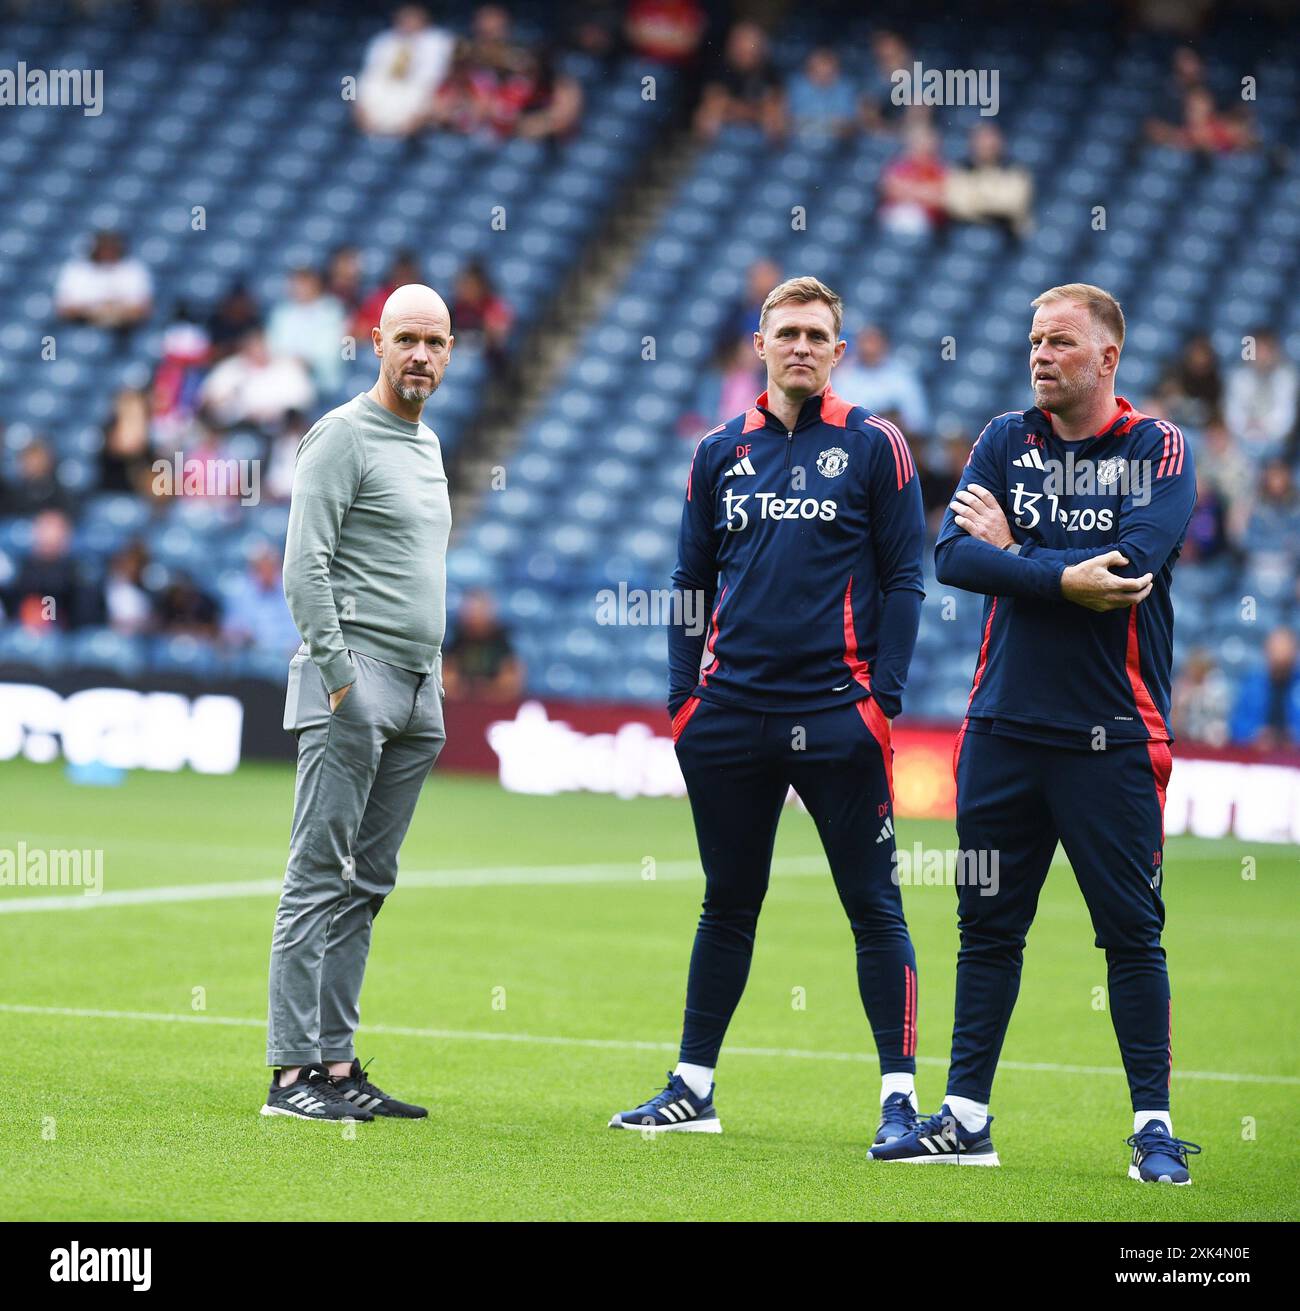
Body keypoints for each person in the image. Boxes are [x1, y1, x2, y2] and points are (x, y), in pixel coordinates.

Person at [872, 284, 1202, 1185]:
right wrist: (1055, 573)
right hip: (1001, 730)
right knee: (986, 928)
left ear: (1107, 358)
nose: (1039, 356)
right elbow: (951, 556)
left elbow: (1129, 570)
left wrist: (1018, 554)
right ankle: (966, 1116)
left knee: (1132, 934)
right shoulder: (1002, 438)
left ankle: (1154, 1128)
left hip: (1113, 737)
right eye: (1033, 340)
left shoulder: (1157, 449)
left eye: (1060, 342)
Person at [610, 277, 927, 1148]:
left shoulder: (876, 446)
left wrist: (884, 699)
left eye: (816, 334)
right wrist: (683, 701)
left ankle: (898, 1099)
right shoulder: (719, 451)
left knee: (875, 907)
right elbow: (689, 582)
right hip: (729, 718)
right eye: (786, 331)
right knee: (728, 901)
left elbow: (906, 579)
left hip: (837, 716)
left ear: (838, 348)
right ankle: (692, 1085)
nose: (800, 345)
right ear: (760, 345)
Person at [264, 284, 454, 1122]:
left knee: (368, 881)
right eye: (407, 338)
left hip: (417, 686)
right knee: (316, 875)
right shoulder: (341, 434)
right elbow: (303, 565)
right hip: (355, 680)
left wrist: (429, 674)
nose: (421, 354)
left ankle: (337, 1067)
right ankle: (288, 1075)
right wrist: (340, 676)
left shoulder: (429, 443)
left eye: (436, 342)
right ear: (376, 342)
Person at [353, 3, 455, 137]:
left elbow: (441, 79)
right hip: (381, 101)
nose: (408, 22)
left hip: (420, 100)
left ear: (424, 19)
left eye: (412, 18)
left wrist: (421, 117)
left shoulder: (441, 42)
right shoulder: (383, 41)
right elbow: (368, 75)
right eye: (404, 18)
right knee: (353, 84)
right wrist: (359, 111)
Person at [832, 325, 931, 436]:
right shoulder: (843, 375)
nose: (867, 347)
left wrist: (893, 421)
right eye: (864, 341)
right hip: (853, 440)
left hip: (894, 441)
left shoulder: (902, 377)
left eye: (873, 342)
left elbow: (918, 422)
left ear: (885, 344)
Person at [944, 123, 1034, 242]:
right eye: (981, 141)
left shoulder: (1016, 170)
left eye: (990, 141)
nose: (986, 145)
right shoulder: (960, 170)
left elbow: (1012, 204)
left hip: (1007, 236)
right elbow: (955, 204)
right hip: (966, 232)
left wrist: (975, 201)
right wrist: (993, 202)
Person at [54, 229, 152, 329]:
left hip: (126, 329)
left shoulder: (133, 268)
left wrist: (112, 314)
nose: (107, 252)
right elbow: (64, 309)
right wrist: (97, 312)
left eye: (112, 247)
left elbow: (143, 309)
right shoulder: (76, 269)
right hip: (80, 326)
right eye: (103, 247)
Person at [441, 588, 523, 700]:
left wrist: (489, 691)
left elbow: (512, 680)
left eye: (478, 609)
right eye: (470, 609)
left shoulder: (503, 638)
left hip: (494, 704)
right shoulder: (454, 637)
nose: (473, 615)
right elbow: (446, 680)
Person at [1229, 626, 1300, 748]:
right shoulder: (1251, 684)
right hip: (1256, 757)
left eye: (1284, 662)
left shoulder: (1296, 685)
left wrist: (1293, 737)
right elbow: (1237, 725)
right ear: (1266, 652)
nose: (1280, 662)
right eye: (1275, 653)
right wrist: (1255, 735)